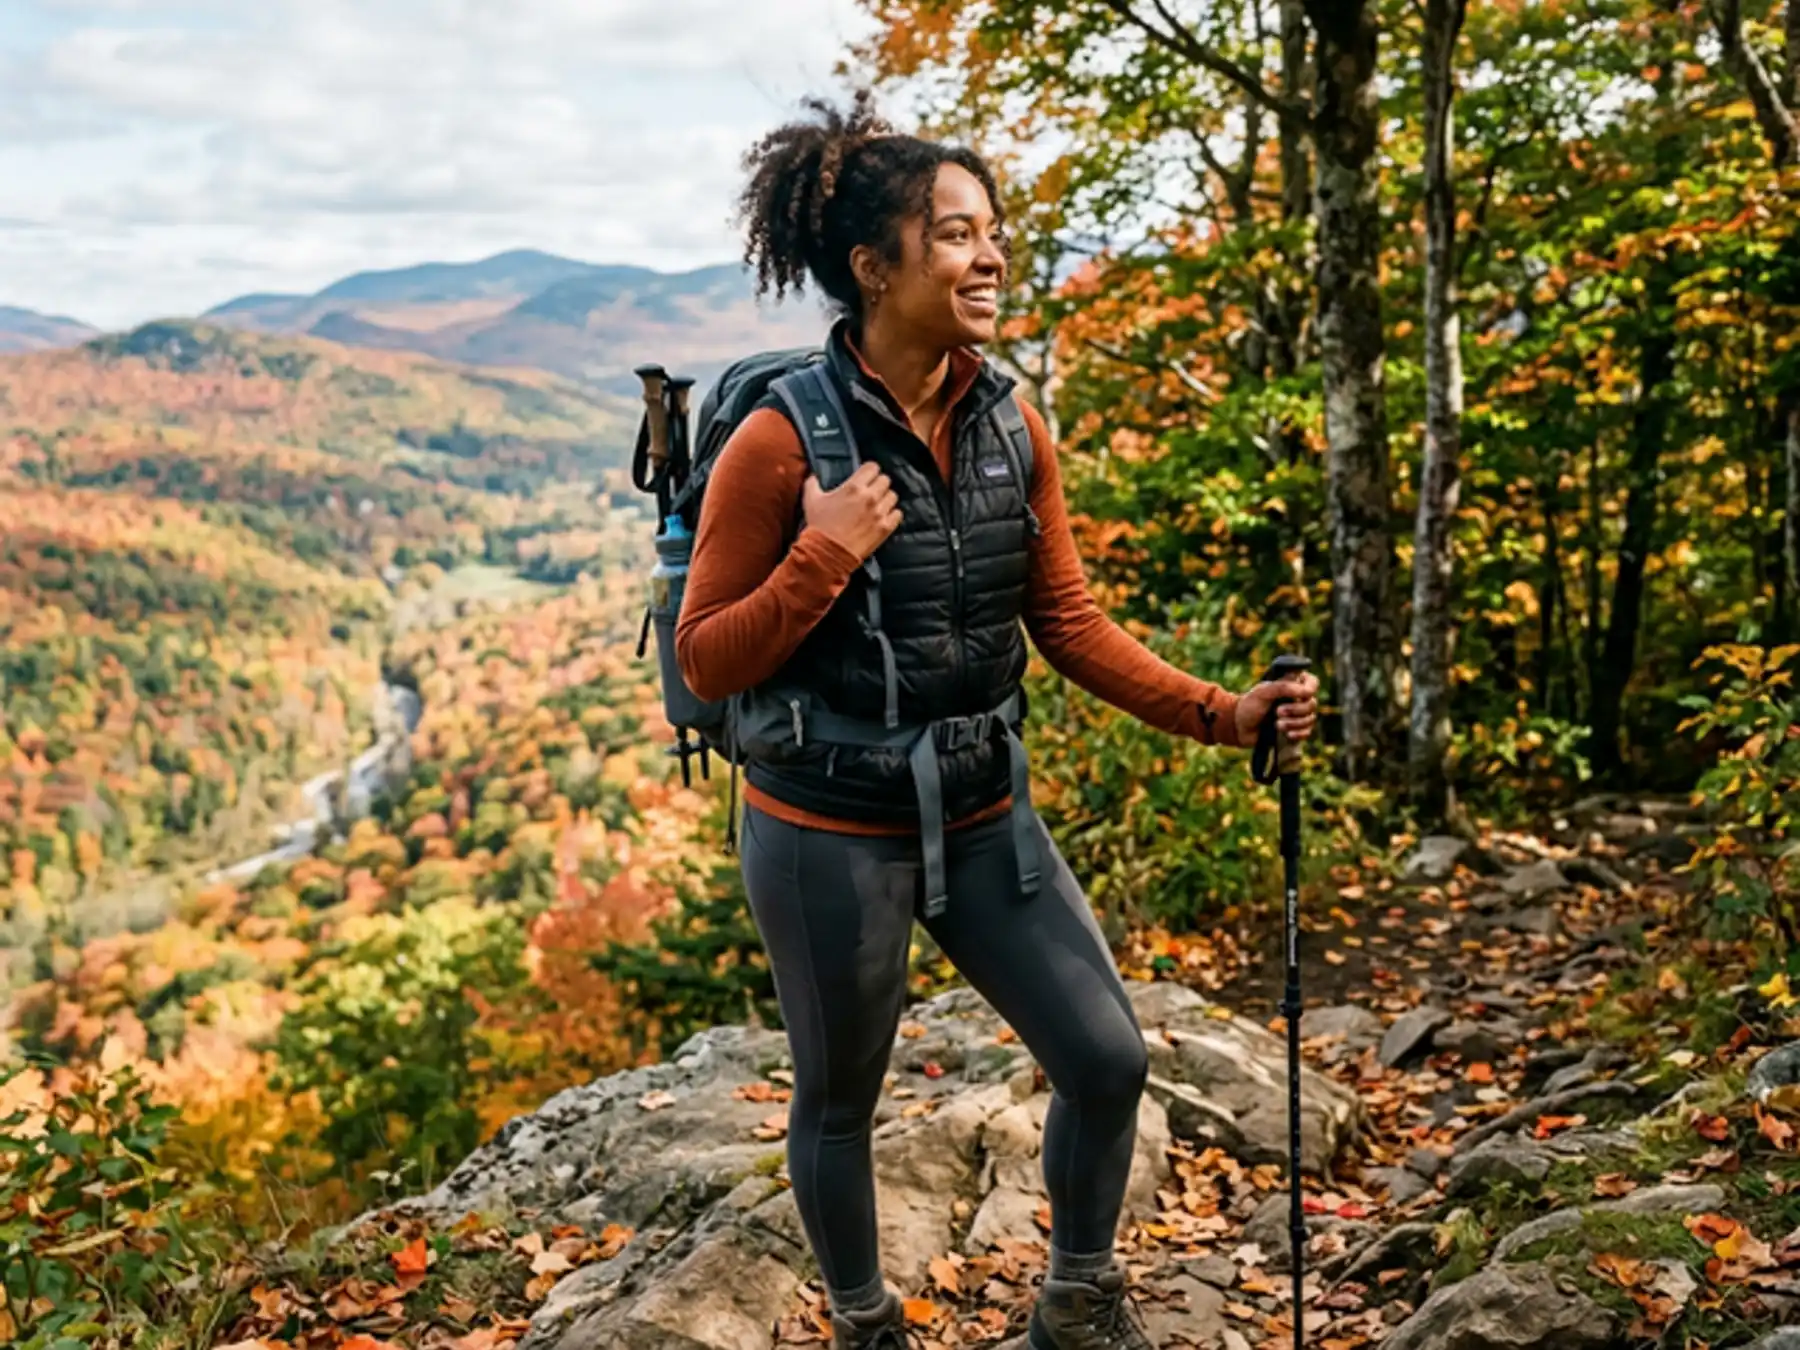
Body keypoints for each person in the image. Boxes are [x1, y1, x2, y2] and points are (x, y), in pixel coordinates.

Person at [675, 90, 1320, 1350]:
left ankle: (1076, 1303)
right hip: (824, 830)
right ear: (875, 268)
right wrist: (821, 555)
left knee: (1106, 1058)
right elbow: (704, 661)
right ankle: (866, 1325)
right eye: (958, 235)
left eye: (995, 233)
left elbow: (1067, 623)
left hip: (982, 812)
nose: (991, 258)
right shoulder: (777, 443)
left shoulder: (1010, 423)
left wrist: (1226, 714)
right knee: (840, 1102)